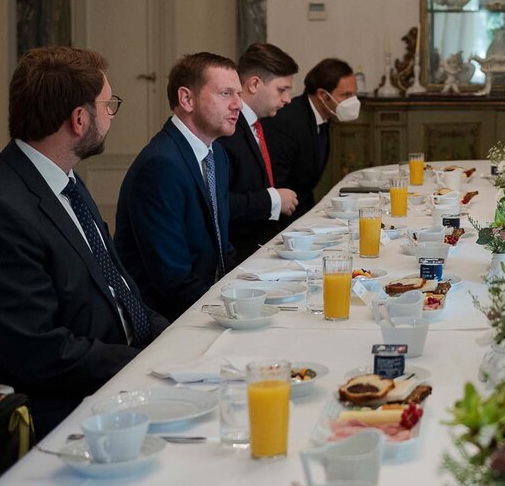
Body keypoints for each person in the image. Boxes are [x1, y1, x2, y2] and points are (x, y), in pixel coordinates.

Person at [0, 48, 166, 435]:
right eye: (109, 105)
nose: (111, 115)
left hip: (115, 374)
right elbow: (39, 351)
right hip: (66, 411)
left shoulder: (64, 179)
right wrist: (144, 364)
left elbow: (118, 286)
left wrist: (173, 340)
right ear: (80, 119)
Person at [116, 53, 240, 319]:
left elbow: (221, 246)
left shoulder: (216, 154)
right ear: (186, 99)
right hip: (168, 320)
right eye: (226, 93)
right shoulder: (160, 165)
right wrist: (231, 313)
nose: (238, 104)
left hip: (207, 300)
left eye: (238, 94)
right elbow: (171, 280)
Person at [219, 43, 300, 262]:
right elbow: (219, 202)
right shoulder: (228, 130)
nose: (288, 99)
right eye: (281, 90)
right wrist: (272, 200)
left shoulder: (258, 124)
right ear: (254, 84)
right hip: (239, 254)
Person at [264, 58, 357, 223]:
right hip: (281, 221)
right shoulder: (289, 122)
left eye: (354, 94)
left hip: (303, 212)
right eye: (345, 95)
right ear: (322, 95)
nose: (352, 101)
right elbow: (281, 186)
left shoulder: (325, 118)